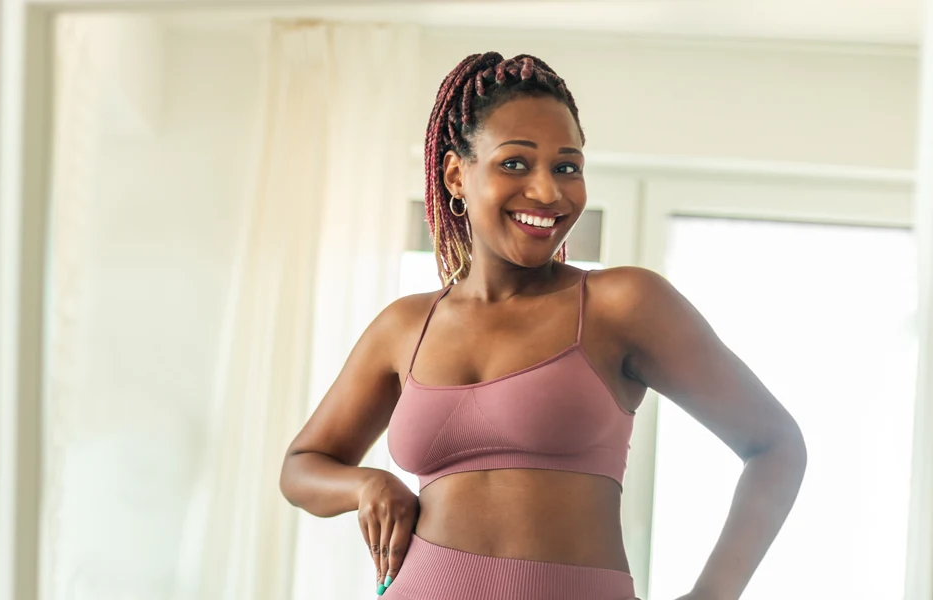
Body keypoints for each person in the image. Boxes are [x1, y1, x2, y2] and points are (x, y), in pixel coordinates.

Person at [278, 52, 807, 600]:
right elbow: (302, 467)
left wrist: (712, 595)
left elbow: (776, 445)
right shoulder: (406, 326)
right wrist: (368, 484)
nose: (549, 192)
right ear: (457, 175)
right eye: (515, 163)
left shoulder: (621, 305)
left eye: (566, 167)